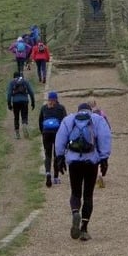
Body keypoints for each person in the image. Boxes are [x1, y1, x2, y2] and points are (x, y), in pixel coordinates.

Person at [55, 103, 111, 241]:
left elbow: (60, 138)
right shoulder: (97, 119)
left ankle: (75, 212)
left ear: (78, 110)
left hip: (74, 162)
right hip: (91, 162)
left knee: (75, 192)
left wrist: (60, 156)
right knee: (88, 195)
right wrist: (104, 158)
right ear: (90, 111)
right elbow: (104, 137)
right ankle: (84, 229)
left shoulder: (69, 120)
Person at [39, 91, 68, 187]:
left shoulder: (44, 108)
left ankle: (48, 173)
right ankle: (56, 177)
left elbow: (40, 121)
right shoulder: (61, 108)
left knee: (48, 154)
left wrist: (42, 132)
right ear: (56, 99)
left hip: (46, 133)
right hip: (57, 133)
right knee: (57, 155)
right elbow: (65, 121)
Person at [87, 98, 111, 188]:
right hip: (102, 138)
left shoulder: (89, 115)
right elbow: (108, 126)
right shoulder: (101, 113)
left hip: (93, 139)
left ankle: (96, 175)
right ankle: (101, 173)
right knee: (103, 156)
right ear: (95, 104)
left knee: (94, 157)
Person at [6, 72, 36, 139]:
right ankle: (24, 124)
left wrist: (9, 104)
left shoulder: (12, 82)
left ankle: (17, 134)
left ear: (14, 77)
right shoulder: (25, 81)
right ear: (20, 76)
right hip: (24, 101)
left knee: (16, 117)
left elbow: (9, 94)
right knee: (24, 116)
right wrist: (33, 102)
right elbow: (31, 92)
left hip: (15, 102)